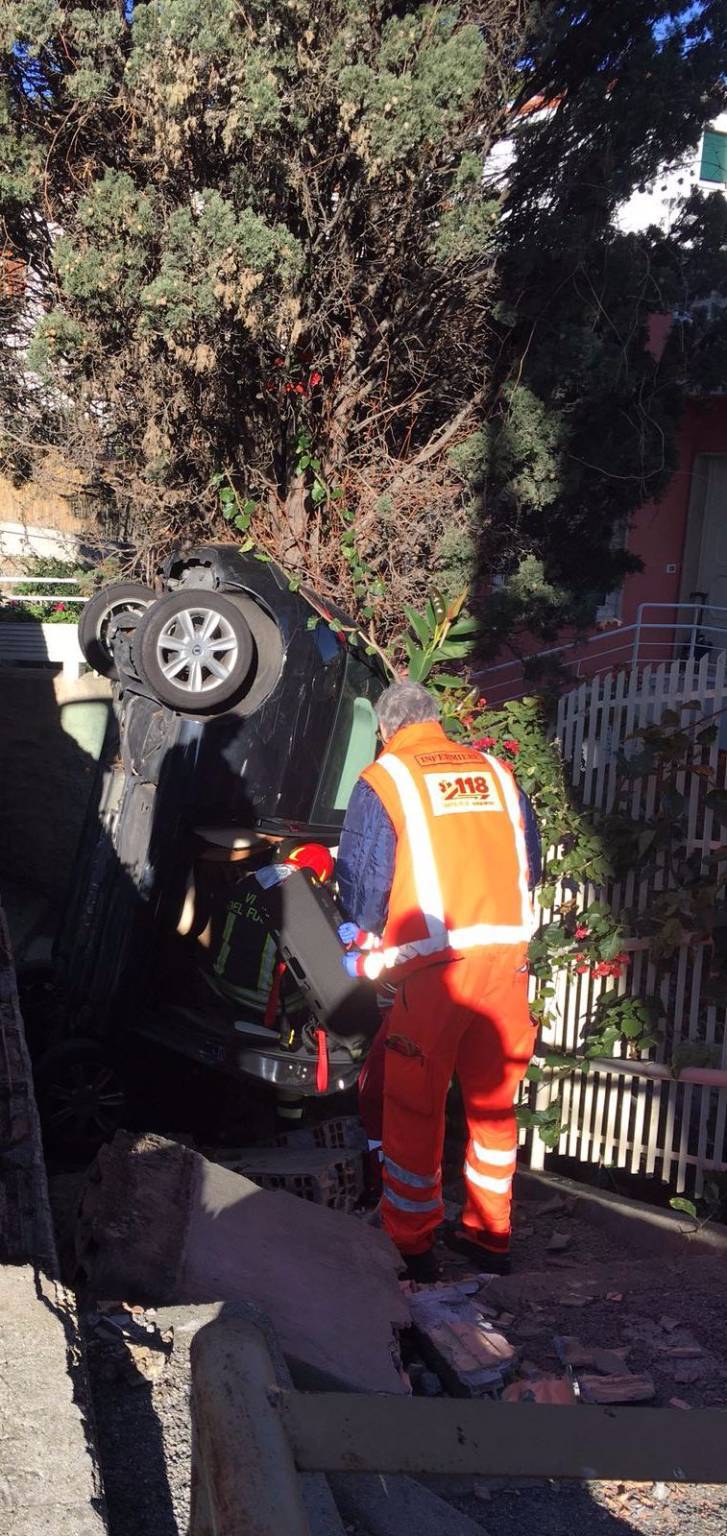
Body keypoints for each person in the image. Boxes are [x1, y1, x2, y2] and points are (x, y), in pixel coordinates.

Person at [336, 681, 541, 1281]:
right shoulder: (497, 773)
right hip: (506, 960)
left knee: (413, 1103)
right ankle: (489, 1234)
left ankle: (412, 1242)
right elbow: (531, 857)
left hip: (434, 970)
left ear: (385, 728)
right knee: (494, 1103)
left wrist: (358, 939)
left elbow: (365, 880)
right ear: (436, 719)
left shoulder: (387, 779)